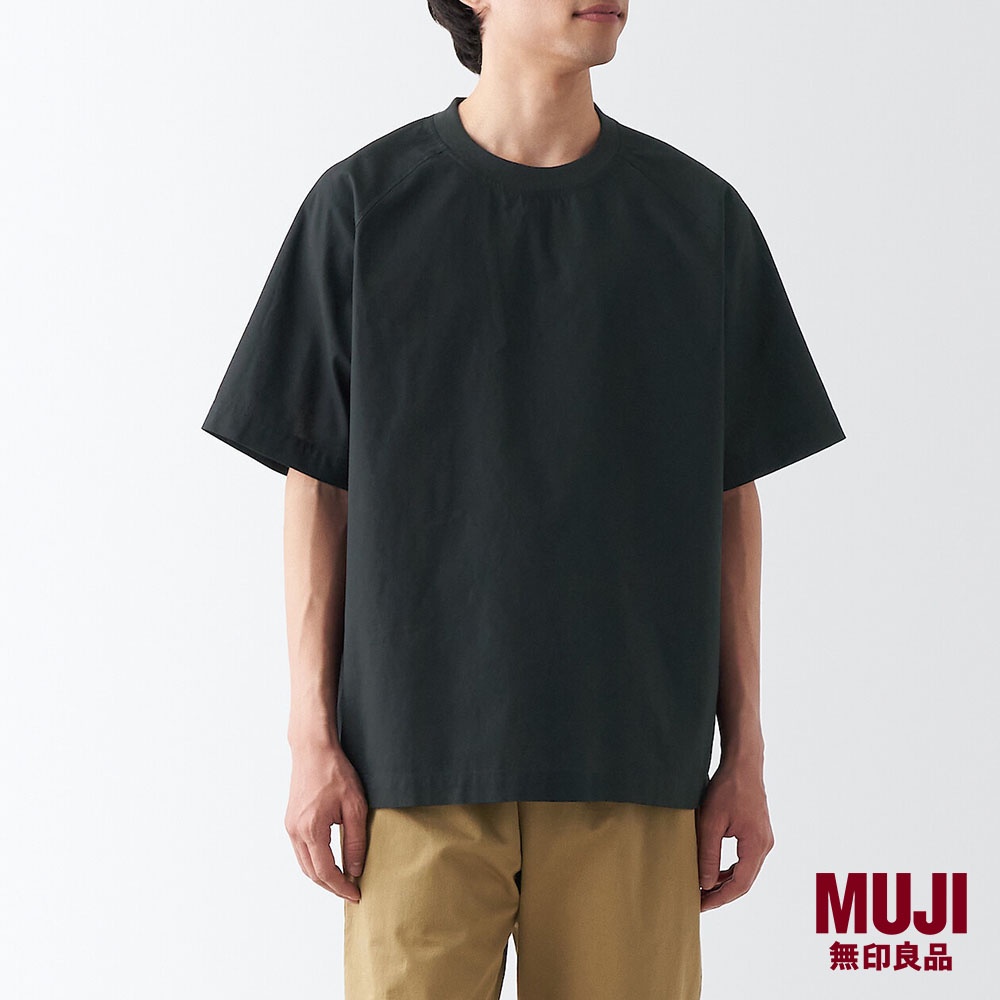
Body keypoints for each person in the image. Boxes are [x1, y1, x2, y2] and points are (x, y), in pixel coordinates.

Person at [201, 1, 846, 996]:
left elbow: (729, 495)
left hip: (632, 768)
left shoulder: (697, 218)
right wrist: (309, 735)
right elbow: (318, 485)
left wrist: (747, 750)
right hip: (410, 775)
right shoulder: (364, 208)